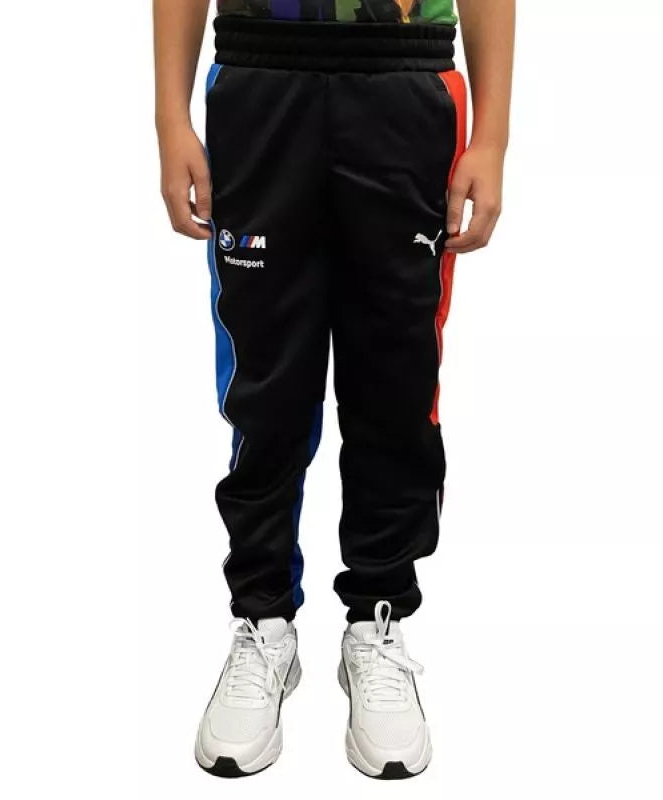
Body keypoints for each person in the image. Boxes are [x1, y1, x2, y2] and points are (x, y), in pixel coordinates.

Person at [154, 0, 514, 779]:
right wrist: (169, 117)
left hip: (407, 83)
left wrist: (492, 136)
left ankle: (377, 620)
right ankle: (263, 621)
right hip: (258, 78)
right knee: (264, 383)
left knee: (396, 382)